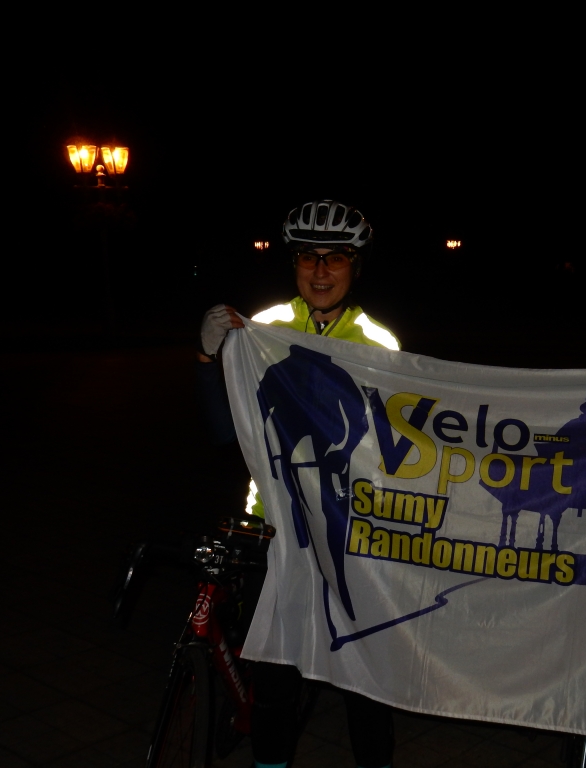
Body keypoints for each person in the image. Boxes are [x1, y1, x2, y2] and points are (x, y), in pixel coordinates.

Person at [196, 200, 398, 768]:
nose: (321, 271)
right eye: (308, 257)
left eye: (336, 258)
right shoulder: (264, 328)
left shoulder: (378, 342)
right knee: (275, 683)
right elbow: (222, 431)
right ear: (294, 265)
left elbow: (391, 449)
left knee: (365, 684)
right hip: (277, 531)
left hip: (350, 532)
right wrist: (207, 358)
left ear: (356, 266)